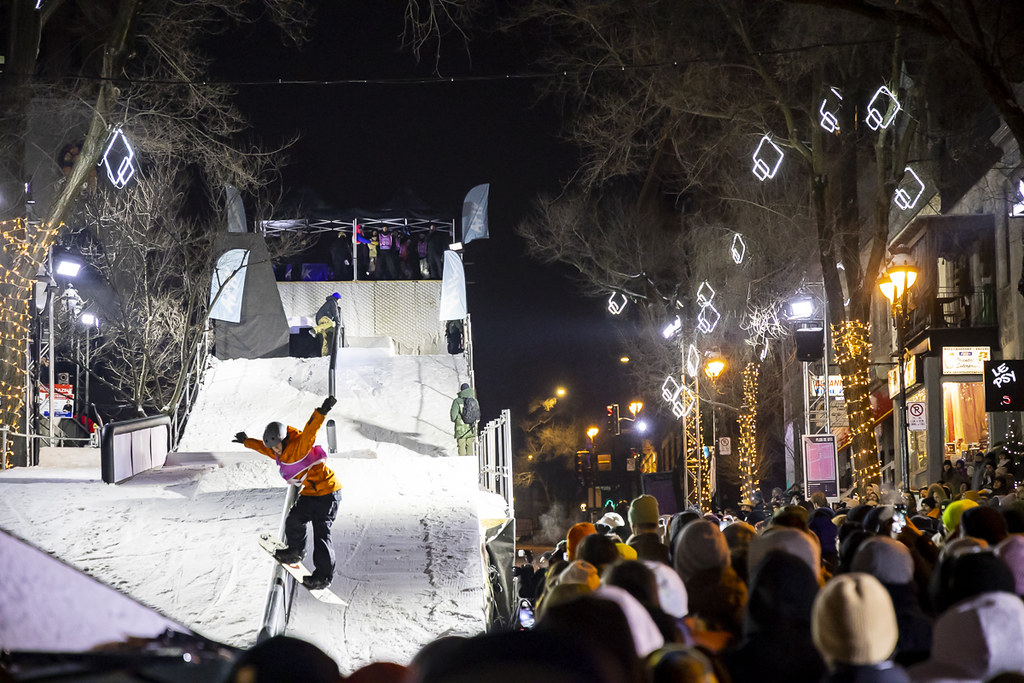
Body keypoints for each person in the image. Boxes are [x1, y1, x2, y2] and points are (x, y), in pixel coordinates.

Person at [233, 396, 341, 590]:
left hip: (328, 492)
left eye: (277, 446)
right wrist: (246, 441)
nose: (275, 451)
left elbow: (311, 430)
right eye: (273, 448)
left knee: (321, 533)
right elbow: (262, 448)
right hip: (310, 493)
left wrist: (322, 411)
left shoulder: (300, 445)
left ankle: (323, 577)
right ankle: (296, 551)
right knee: (294, 519)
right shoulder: (278, 452)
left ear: (284, 439)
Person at [450, 382, 477, 456]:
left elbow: (453, 417)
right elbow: (477, 415)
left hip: (460, 429)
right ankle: (471, 465)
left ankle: (462, 465)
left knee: (461, 447)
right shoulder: (474, 401)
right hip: (471, 428)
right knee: (470, 447)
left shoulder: (457, 401)